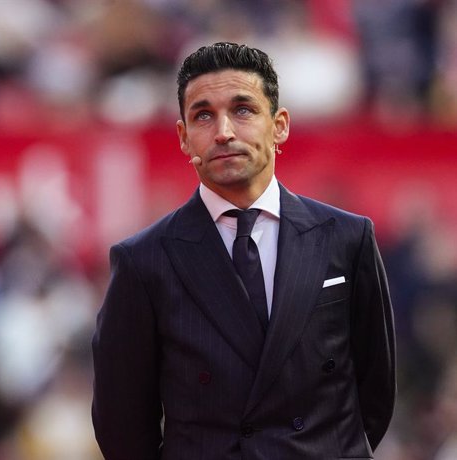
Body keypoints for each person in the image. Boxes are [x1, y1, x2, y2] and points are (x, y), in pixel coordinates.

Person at [91, 42, 395, 460]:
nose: (224, 132)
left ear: (280, 125)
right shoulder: (143, 261)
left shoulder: (347, 237)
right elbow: (122, 426)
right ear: (183, 137)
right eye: (203, 115)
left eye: (243, 110)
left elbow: (375, 395)